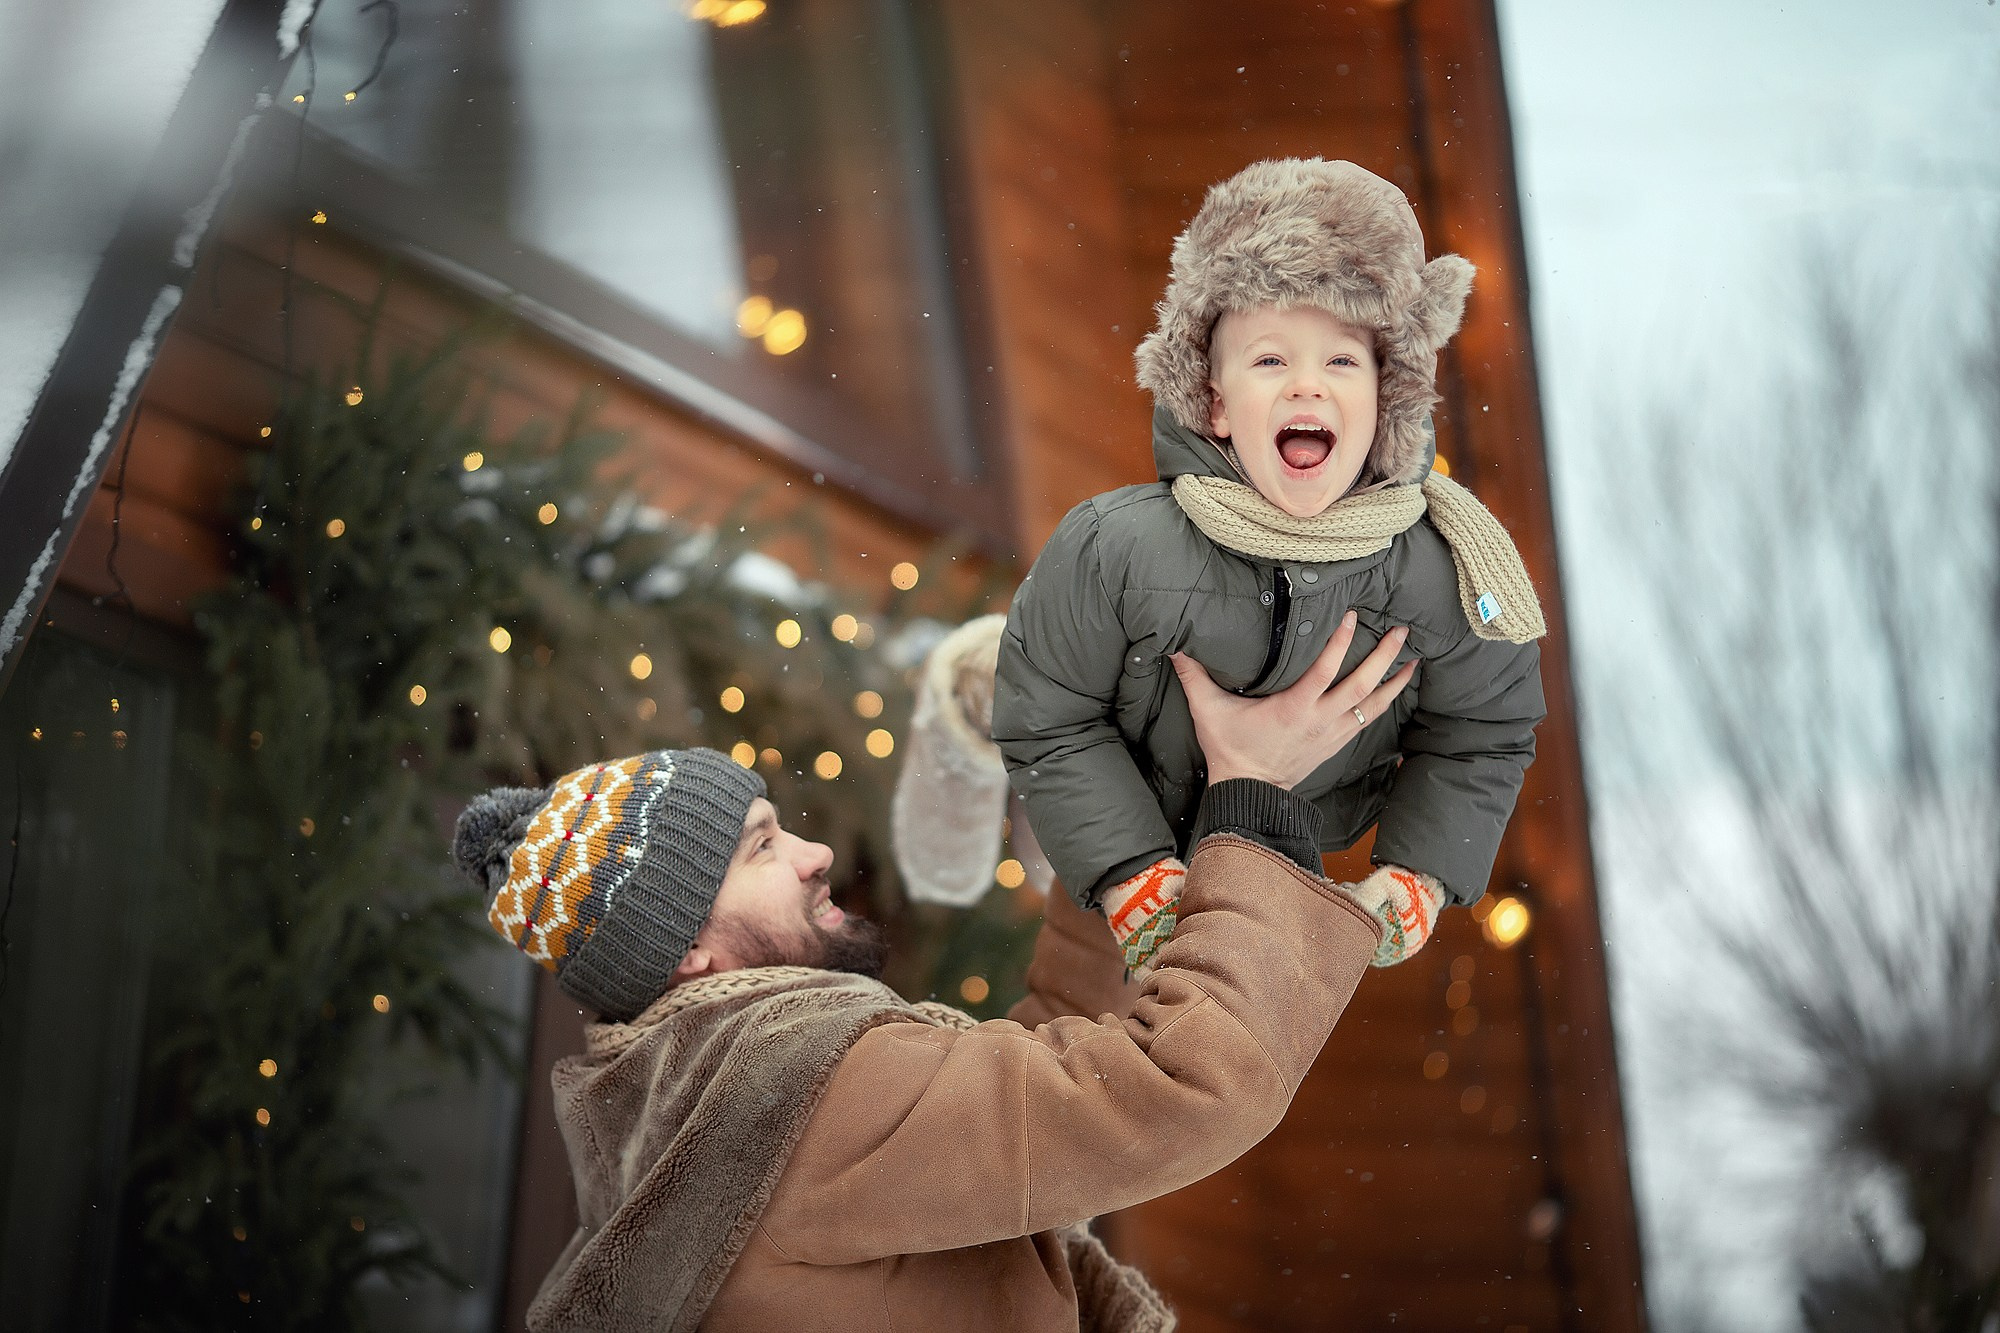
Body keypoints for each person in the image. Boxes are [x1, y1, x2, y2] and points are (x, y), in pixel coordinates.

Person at [452, 617, 1414, 1332]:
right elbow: (1179, 1084)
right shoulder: (787, 1097)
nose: (816, 850)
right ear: (684, 952)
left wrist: (1116, 827)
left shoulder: (699, 1128)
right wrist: (1254, 805)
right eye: (761, 848)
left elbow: (1046, 1084)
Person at [992, 156, 1548, 979]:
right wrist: (1131, 872)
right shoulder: (1118, 546)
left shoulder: (1445, 572)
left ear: (1388, 397)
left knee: (1226, 1076)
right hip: (1100, 881)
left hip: (1288, 889)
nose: (1307, 388)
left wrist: (1415, 878)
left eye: (1341, 362)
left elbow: (1484, 731)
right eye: (1270, 361)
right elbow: (1048, 711)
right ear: (1214, 402)